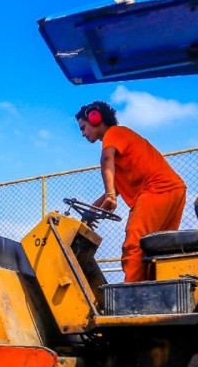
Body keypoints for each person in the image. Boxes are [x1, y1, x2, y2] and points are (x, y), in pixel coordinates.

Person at [76, 101, 187, 283]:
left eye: (83, 128)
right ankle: (154, 292)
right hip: (174, 190)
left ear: (95, 118)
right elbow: (114, 189)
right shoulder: (123, 146)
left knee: (134, 245)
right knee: (157, 250)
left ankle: (132, 298)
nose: (83, 134)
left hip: (156, 189)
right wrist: (91, 212)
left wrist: (111, 196)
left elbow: (106, 159)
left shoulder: (114, 133)